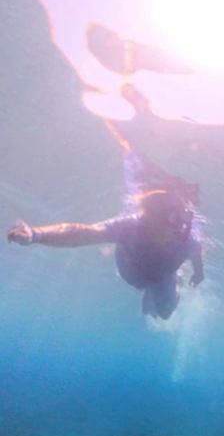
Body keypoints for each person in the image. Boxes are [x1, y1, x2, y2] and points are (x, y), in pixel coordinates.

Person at [7, 136, 204, 320]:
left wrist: (198, 271)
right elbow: (83, 232)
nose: (175, 226)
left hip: (162, 279)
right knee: (157, 309)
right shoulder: (129, 227)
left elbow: (196, 253)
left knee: (165, 314)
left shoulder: (187, 240)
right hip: (135, 276)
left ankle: (175, 282)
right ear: (146, 215)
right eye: (167, 216)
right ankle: (164, 286)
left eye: (178, 218)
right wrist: (36, 234)